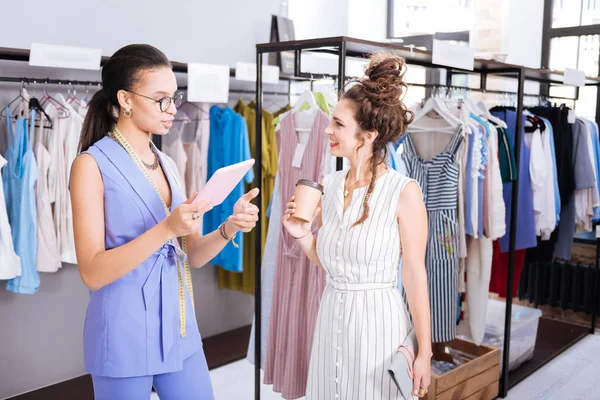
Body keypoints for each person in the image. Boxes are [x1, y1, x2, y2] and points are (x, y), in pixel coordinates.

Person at [69, 44, 259, 400]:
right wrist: (167, 229)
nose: (173, 109)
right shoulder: (90, 166)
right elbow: (92, 272)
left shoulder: (169, 164)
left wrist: (229, 227)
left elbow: (195, 255)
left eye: (175, 97)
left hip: (179, 326)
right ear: (125, 99)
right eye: (161, 99)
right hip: (123, 334)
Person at [282, 53, 432, 400]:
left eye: (337, 124)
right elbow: (332, 261)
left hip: (377, 328)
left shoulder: (403, 192)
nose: (327, 129)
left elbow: (414, 275)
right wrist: (303, 236)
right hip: (331, 316)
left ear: (367, 135)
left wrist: (424, 352)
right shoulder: (330, 184)